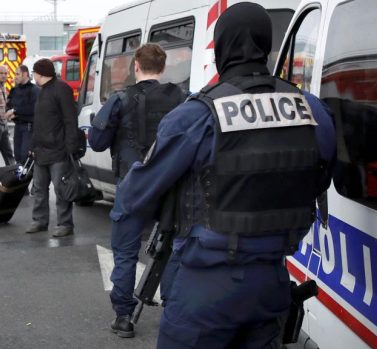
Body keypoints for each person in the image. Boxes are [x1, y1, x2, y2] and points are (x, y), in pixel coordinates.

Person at [110, 3, 336, 348]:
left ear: (221, 48)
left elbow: (134, 195)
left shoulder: (196, 115)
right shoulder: (309, 108)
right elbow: (317, 178)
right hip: (272, 283)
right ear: (266, 45)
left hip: (205, 289)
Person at [87, 43, 187, 338]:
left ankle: (124, 317)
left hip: (132, 187)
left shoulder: (120, 99)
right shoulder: (181, 98)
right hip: (170, 186)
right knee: (170, 249)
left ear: (136, 66)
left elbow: (97, 142)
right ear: (163, 67)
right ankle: (173, 309)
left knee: (125, 252)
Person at [26, 58, 79, 237]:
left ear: (40, 73)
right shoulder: (42, 91)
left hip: (58, 151)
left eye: (34, 72)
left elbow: (70, 120)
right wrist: (33, 145)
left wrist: (70, 146)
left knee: (61, 189)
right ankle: (39, 221)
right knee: (39, 188)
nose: (33, 75)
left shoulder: (61, 89)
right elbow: (39, 122)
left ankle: (65, 224)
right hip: (41, 150)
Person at [6, 65, 39, 164]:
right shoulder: (15, 90)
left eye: (17, 74)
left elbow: (33, 108)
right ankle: (19, 177)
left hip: (28, 127)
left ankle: (26, 177)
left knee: (25, 156)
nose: (15, 76)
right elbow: (9, 104)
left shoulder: (34, 90)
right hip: (18, 126)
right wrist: (10, 112)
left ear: (25, 74)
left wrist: (14, 112)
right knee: (18, 155)